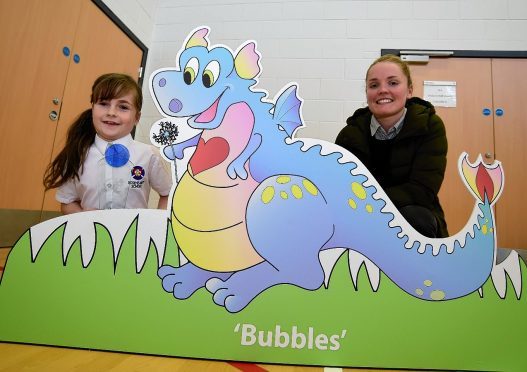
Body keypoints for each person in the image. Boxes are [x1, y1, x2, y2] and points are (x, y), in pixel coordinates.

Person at [336, 55, 448, 238]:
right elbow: (341, 189)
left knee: (416, 217)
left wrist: (372, 205)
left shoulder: (430, 126)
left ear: (409, 90)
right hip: (360, 216)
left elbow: (422, 190)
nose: (382, 90)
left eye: (393, 83)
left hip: (411, 215)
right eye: (374, 85)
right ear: (367, 93)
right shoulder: (349, 134)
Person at [44, 73, 172, 214]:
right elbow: (68, 201)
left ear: (137, 117)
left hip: (134, 235)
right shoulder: (77, 154)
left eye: (123, 107)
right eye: (104, 104)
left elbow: (168, 194)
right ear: (92, 108)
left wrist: (156, 224)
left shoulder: (149, 155)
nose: (111, 112)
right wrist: (88, 225)